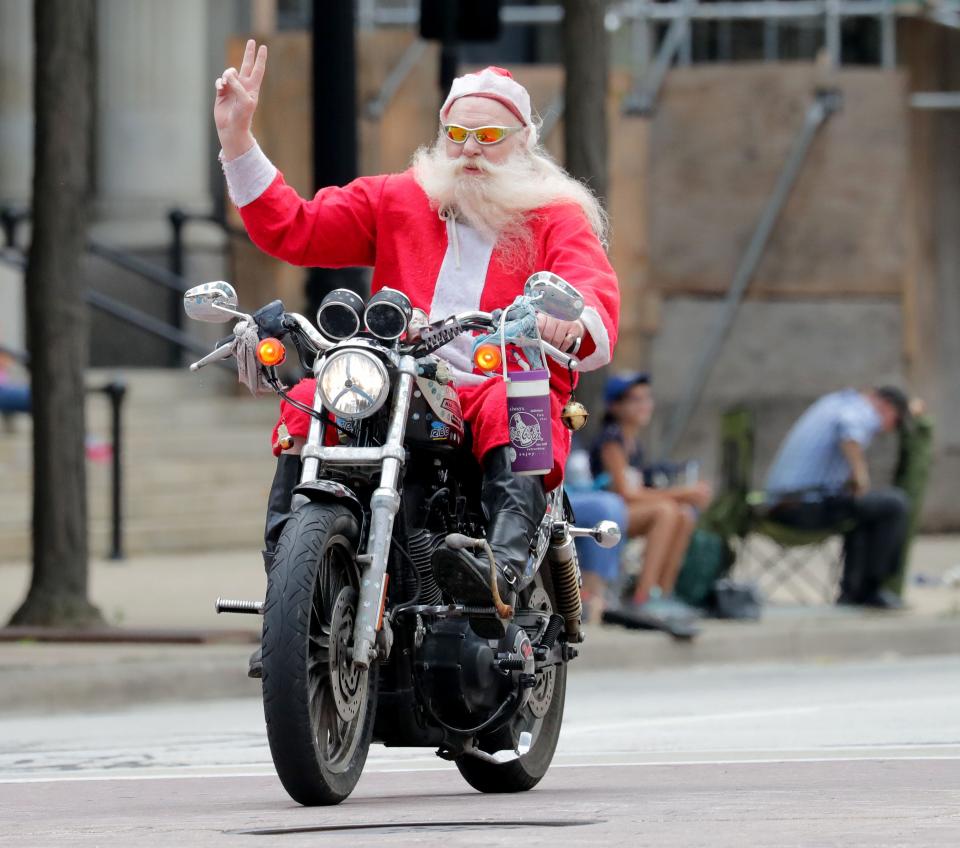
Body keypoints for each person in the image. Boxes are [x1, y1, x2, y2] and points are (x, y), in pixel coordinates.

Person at [213, 43, 620, 618]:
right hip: (403, 376)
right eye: (457, 136)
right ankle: (292, 573)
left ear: (524, 141)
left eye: (489, 137)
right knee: (311, 399)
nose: (470, 150)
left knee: (520, 402)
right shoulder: (400, 197)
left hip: (499, 376)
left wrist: (569, 318)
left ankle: (499, 565)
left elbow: (591, 291)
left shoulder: (555, 213)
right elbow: (296, 227)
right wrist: (237, 140)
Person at [763, 385, 916, 610]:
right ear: (885, 406)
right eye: (896, 422)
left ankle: (854, 592)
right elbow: (850, 429)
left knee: (865, 510)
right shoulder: (860, 410)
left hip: (782, 504)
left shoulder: (834, 401)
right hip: (803, 507)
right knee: (895, 504)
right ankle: (873, 589)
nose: (890, 429)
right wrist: (860, 475)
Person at [590, 372, 712, 624]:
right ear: (615, 406)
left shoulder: (634, 443)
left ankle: (663, 593)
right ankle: (642, 597)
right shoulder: (611, 440)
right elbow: (626, 493)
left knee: (683, 514)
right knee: (666, 510)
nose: (644, 405)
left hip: (627, 510)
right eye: (635, 400)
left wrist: (684, 498)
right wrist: (683, 493)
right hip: (606, 515)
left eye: (647, 398)